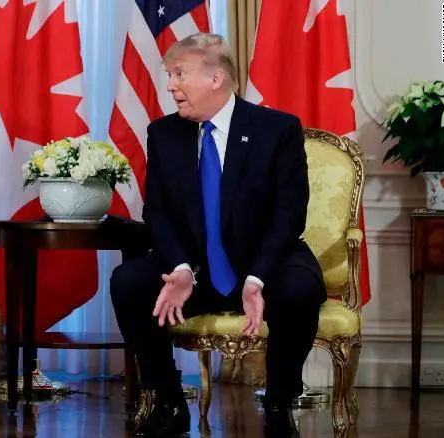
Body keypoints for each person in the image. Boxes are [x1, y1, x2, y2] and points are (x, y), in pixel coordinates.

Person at [110, 33, 326, 438]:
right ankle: (168, 401)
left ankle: (278, 404)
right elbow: (156, 211)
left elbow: (289, 213)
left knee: (300, 287)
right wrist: (180, 267)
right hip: (195, 270)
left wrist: (257, 276)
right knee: (129, 281)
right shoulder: (164, 134)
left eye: (179, 74)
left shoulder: (276, 129)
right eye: (169, 76)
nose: (170, 86)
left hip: (264, 264)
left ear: (215, 79)